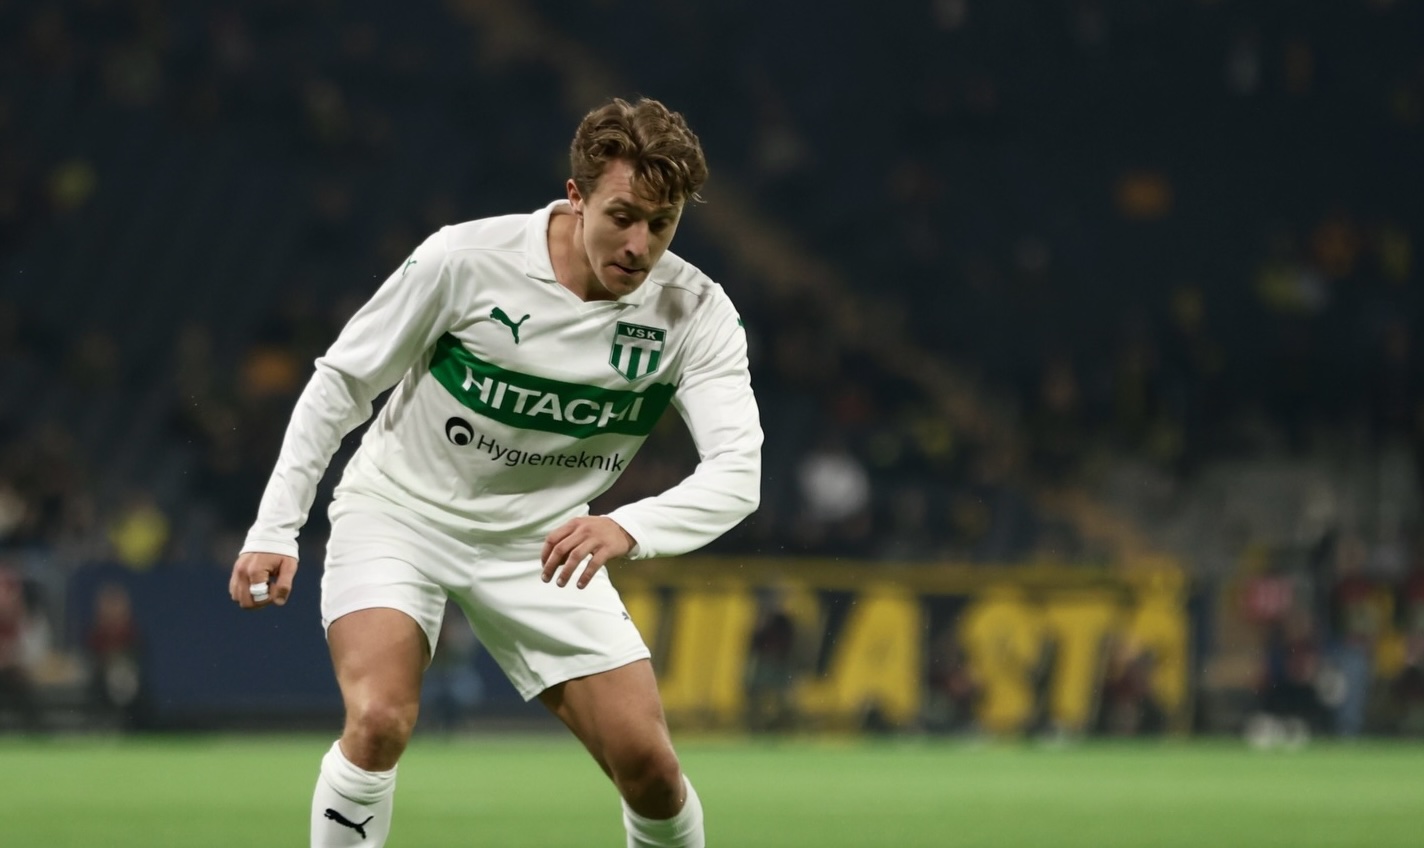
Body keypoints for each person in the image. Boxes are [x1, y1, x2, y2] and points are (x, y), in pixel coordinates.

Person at [228, 97, 761, 848]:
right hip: (401, 515)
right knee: (379, 720)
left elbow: (739, 471)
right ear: (575, 198)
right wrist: (276, 525)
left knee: (651, 770)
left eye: (663, 223)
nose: (640, 245)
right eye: (622, 216)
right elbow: (343, 382)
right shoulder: (465, 260)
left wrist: (626, 528)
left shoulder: (694, 312)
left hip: (542, 547)